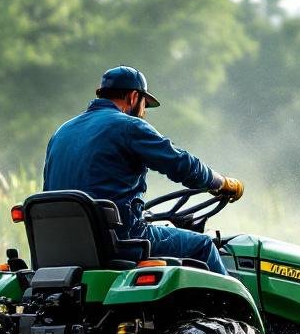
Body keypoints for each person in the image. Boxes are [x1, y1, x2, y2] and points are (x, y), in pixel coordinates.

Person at [43, 66, 243, 275]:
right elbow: (181, 164)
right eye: (144, 105)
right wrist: (220, 182)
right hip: (120, 241)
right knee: (203, 245)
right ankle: (242, 308)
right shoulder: (128, 126)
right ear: (133, 97)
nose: (144, 112)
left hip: (62, 248)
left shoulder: (61, 132)